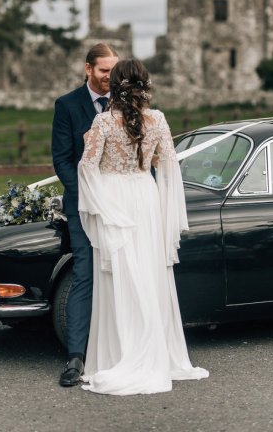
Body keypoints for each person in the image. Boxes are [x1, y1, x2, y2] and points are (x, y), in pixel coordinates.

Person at [77, 58, 209, 395]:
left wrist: (101, 207)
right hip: (146, 198)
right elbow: (167, 166)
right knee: (148, 276)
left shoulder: (104, 122)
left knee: (118, 276)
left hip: (115, 198)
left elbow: (87, 168)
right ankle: (156, 354)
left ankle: (118, 356)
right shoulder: (159, 119)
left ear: (116, 85)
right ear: (145, 85)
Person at [51, 43, 119, 387]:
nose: (110, 77)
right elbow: (62, 159)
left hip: (123, 207)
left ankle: (124, 351)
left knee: (124, 273)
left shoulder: (126, 102)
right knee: (85, 275)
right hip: (82, 208)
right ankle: (76, 356)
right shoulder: (67, 105)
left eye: (114, 70)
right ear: (88, 69)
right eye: (104, 70)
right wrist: (87, 196)